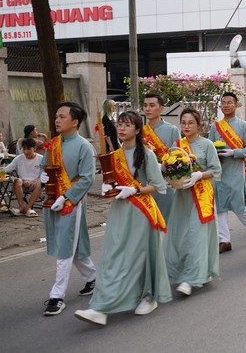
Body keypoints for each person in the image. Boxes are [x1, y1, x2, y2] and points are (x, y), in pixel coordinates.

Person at [74, 111, 170, 326]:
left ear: (137, 129)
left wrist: (135, 190)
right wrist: (108, 188)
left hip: (141, 212)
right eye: (120, 124)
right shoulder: (114, 155)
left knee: (138, 258)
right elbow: (112, 183)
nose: (122, 128)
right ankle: (100, 307)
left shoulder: (146, 154)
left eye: (127, 125)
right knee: (112, 257)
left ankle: (148, 296)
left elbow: (158, 185)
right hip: (119, 212)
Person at [41, 101, 96, 316]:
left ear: (75, 122)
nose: (57, 120)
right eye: (56, 116)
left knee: (65, 247)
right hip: (53, 201)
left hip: (72, 203)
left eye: (62, 116)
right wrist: (42, 176)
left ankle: (57, 296)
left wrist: (66, 197)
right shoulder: (53, 144)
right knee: (71, 245)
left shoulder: (84, 146)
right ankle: (93, 278)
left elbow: (87, 178)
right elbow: (45, 168)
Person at [164, 108, 221, 295]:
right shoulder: (177, 145)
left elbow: (216, 170)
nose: (186, 126)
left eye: (190, 123)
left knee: (196, 236)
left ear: (199, 125)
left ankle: (191, 278)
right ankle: (186, 271)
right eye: (183, 122)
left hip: (202, 196)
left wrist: (199, 175)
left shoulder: (207, 145)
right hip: (183, 196)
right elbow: (169, 168)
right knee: (180, 235)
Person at [208, 92, 246, 254]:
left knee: (238, 205)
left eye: (229, 102)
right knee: (220, 205)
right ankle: (225, 240)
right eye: (223, 102)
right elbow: (209, 147)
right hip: (219, 171)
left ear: (236, 105)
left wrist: (233, 152)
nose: (226, 105)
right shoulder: (215, 127)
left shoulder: (244, 126)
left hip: (236, 170)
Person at [141, 93, 181, 222]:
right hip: (146, 184)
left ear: (161, 108)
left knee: (166, 222)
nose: (147, 109)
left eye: (152, 105)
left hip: (165, 183)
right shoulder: (140, 131)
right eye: (145, 105)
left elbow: (178, 157)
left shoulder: (172, 130)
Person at [5, 138, 43, 217]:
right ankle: (21, 207)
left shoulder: (41, 158)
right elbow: (6, 170)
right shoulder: (19, 158)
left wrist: (31, 182)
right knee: (17, 181)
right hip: (22, 182)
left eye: (28, 149)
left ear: (34, 148)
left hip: (35, 182)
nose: (26, 152)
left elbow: (44, 175)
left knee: (41, 183)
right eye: (24, 149)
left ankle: (28, 207)